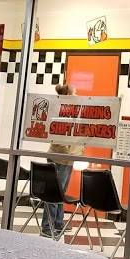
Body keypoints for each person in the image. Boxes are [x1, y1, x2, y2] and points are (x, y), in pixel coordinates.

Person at [43, 83, 83, 238]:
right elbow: (58, 139)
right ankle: (47, 226)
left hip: (66, 158)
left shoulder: (70, 112)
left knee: (60, 193)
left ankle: (58, 223)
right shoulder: (61, 112)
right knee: (54, 193)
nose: (77, 96)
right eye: (75, 93)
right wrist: (69, 150)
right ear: (68, 96)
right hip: (60, 157)